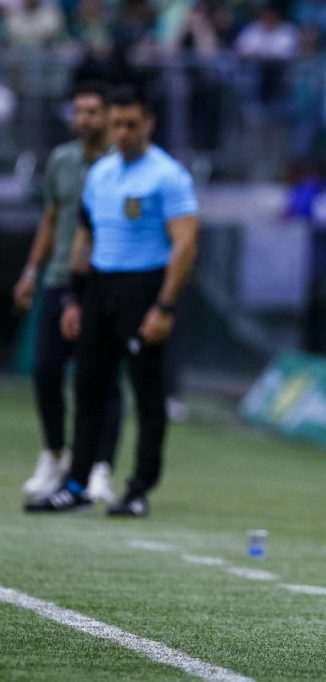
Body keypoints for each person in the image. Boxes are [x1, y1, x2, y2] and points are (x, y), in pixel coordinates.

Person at [25, 86, 200, 518]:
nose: (122, 132)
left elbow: (186, 244)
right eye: (116, 124)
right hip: (100, 288)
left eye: (130, 124)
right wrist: (73, 299)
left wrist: (165, 307)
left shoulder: (167, 175)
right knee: (88, 389)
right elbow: (84, 237)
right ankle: (77, 484)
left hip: (144, 290)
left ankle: (139, 487)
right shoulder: (101, 174)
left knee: (146, 394)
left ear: (148, 124)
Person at [13, 81, 123, 504]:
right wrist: (30, 272)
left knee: (104, 380)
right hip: (61, 277)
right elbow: (51, 218)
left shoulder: (122, 162)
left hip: (106, 279)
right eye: (78, 111)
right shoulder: (62, 159)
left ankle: (100, 467)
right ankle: (55, 453)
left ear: (108, 115)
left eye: (92, 112)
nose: (83, 120)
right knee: (45, 371)